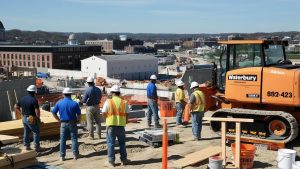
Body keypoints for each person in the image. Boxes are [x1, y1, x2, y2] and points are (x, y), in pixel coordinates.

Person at [102, 85, 131, 167]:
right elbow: (127, 113)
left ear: (112, 93)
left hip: (111, 125)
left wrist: (107, 120)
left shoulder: (108, 101)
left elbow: (103, 112)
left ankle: (111, 162)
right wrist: (126, 120)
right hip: (121, 126)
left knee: (111, 143)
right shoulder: (124, 102)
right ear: (119, 93)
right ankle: (124, 160)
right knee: (122, 143)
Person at [52, 88, 81, 161]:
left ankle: (62, 156)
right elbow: (79, 114)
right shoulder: (75, 103)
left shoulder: (59, 103)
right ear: (70, 94)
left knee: (62, 140)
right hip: (72, 123)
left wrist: (58, 120)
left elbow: (53, 112)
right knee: (74, 139)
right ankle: (75, 155)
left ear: (63, 94)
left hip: (63, 123)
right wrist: (78, 121)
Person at [15, 85, 41, 151]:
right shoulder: (34, 100)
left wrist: (22, 113)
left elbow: (16, 107)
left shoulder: (22, 98)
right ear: (35, 92)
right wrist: (38, 118)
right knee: (36, 132)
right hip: (31, 118)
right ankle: (36, 147)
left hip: (24, 118)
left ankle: (26, 146)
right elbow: (37, 110)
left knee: (26, 132)